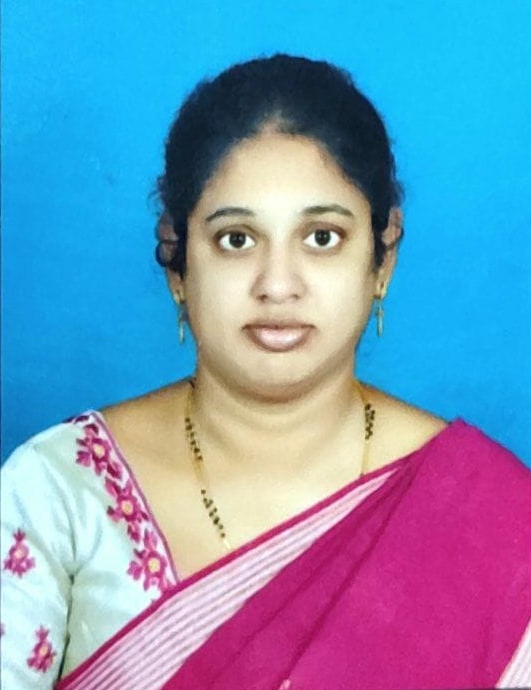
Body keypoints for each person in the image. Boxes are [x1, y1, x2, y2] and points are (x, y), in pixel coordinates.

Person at [1, 54, 530, 690]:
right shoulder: (59, 494)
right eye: (237, 239)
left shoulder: (497, 523)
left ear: (383, 257)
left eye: (322, 237)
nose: (277, 285)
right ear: (177, 261)